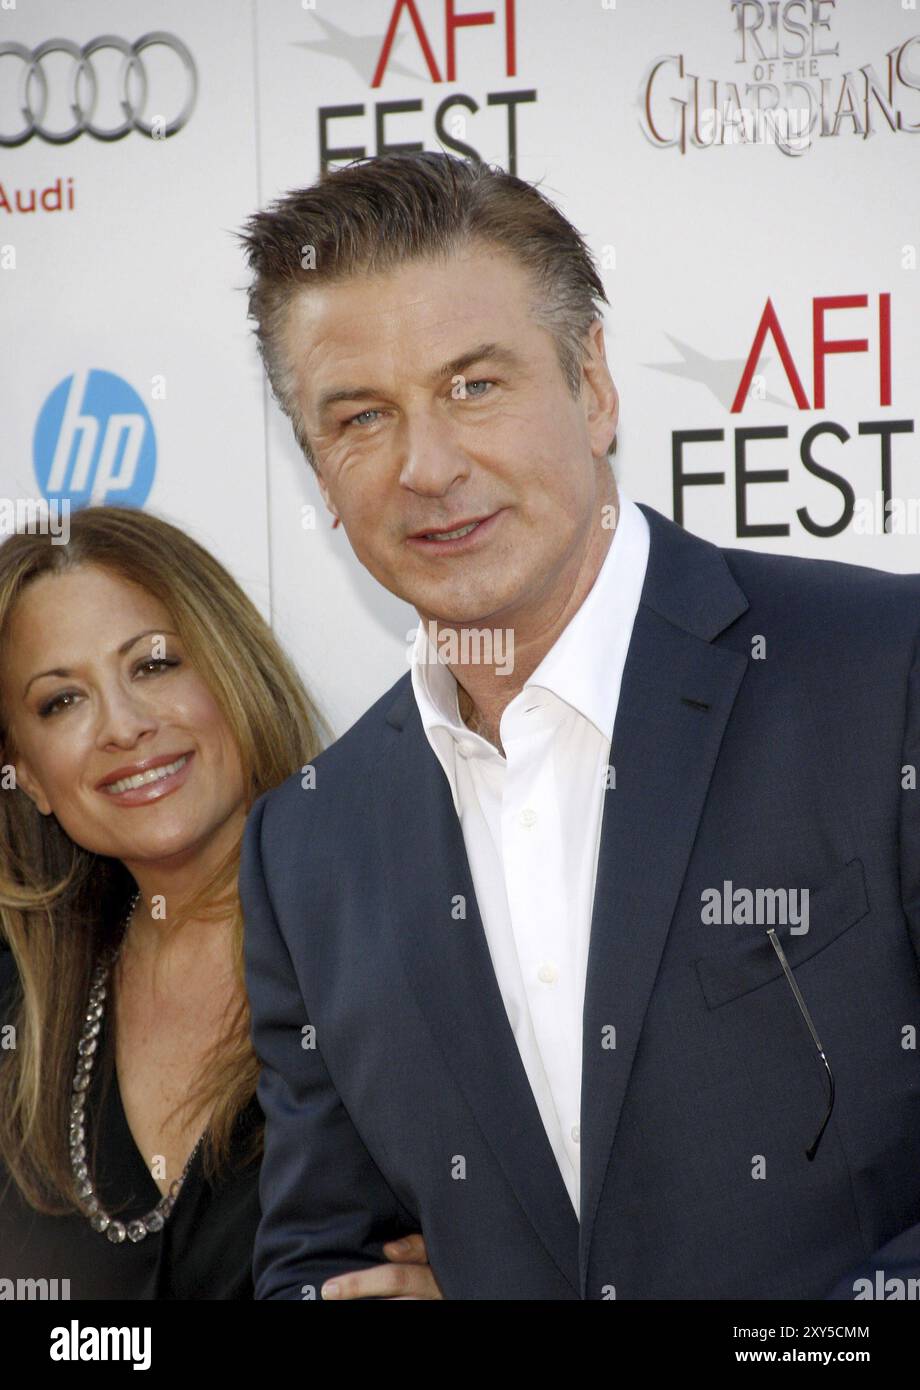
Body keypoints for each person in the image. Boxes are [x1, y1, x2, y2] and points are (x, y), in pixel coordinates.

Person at [237, 150, 920, 1301]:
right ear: (316, 467)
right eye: (361, 417)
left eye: (474, 385)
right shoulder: (308, 844)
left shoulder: (880, 675)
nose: (429, 465)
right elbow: (318, 1256)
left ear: (593, 386)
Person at [0, 506, 441, 1300]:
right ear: (26, 773)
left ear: (232, 666)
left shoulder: (411, 936)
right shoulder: (19, 1018)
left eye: (155, 664)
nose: (125, 727)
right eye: (61, 702)